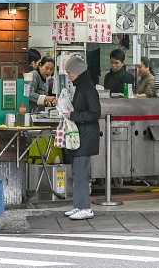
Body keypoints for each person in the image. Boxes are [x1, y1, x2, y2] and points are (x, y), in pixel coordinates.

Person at [62, 56, 101, 221]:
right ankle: (79, 205)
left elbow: (95, 113)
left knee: (80, 172)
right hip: (82, 135)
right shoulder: (82, 86)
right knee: (77, 172)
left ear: (77, 72)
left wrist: (73, 115)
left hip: (86, 135)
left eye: (69, 72)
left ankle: (85, 207)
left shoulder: (87, 89)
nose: (69, 76)